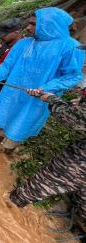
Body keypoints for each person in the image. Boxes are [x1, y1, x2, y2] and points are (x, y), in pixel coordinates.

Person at [0, 8, 84, 154]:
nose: (28, 27)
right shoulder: (23, 43)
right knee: (1, 122)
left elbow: (73, 76)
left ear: (50, 24)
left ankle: (5, 153)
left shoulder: (72, 48)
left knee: (19, 128)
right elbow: (6, 68)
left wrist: (47, 87)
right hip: (11, 94)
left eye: (33, 24)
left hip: (37, 99)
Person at [10, 81, 85, 229]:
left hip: (80, 161)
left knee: (36, 187)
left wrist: (51, 99)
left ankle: (6, 210)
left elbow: (73, 118)